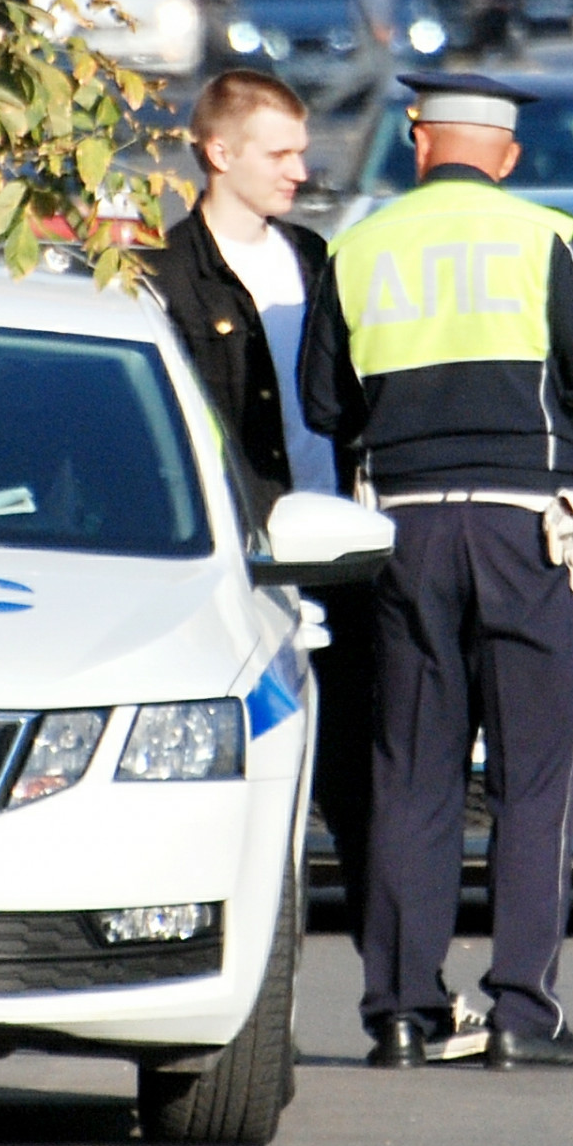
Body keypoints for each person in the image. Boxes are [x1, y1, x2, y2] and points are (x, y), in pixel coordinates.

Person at [299, 72, 573, 1072]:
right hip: (522, 525)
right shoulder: (544, 238)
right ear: (501, 153)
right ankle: (518, 1012)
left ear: (418, 142)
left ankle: (402, 1011)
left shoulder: (358, 243)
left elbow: (327, 404)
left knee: (411, 773)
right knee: (533, 776)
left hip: (402, 527)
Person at [141, 71, 374, 918]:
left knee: (356, 774)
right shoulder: (163, 273)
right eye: (280, 153)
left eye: (303, 151)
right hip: (235, 565)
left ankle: (395, 990)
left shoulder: (312, 259)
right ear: (218, 152)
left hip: (336, 553)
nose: (299, 171)